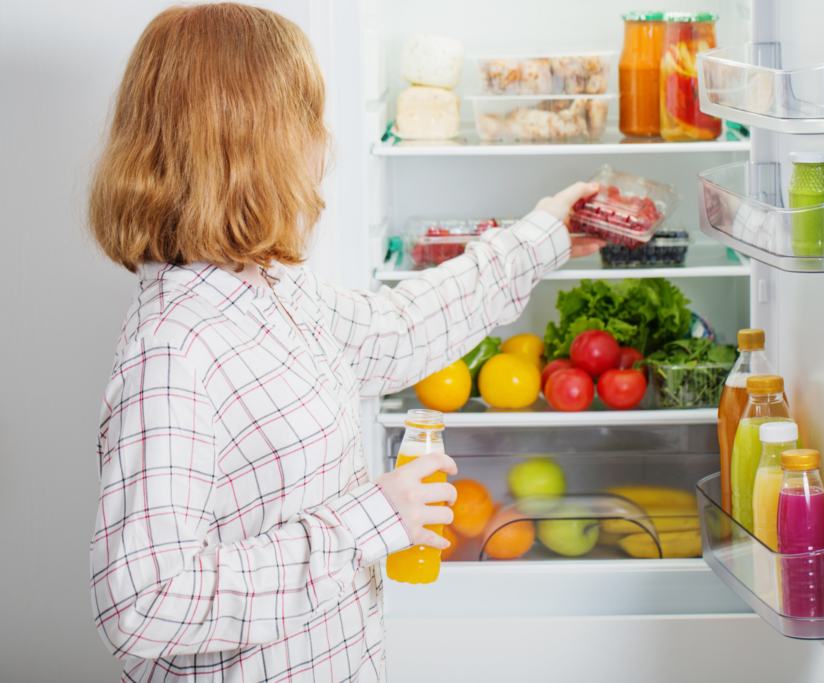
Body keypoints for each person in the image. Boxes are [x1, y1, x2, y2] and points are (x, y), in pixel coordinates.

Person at [86, 4, 602, 682]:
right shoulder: (174, 349)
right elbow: (145, 604)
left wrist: (545, 234)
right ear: (248, 142)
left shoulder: (265, 287)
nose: (322, 144)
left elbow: (393, 331)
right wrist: (372, 518)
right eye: (307, 120)